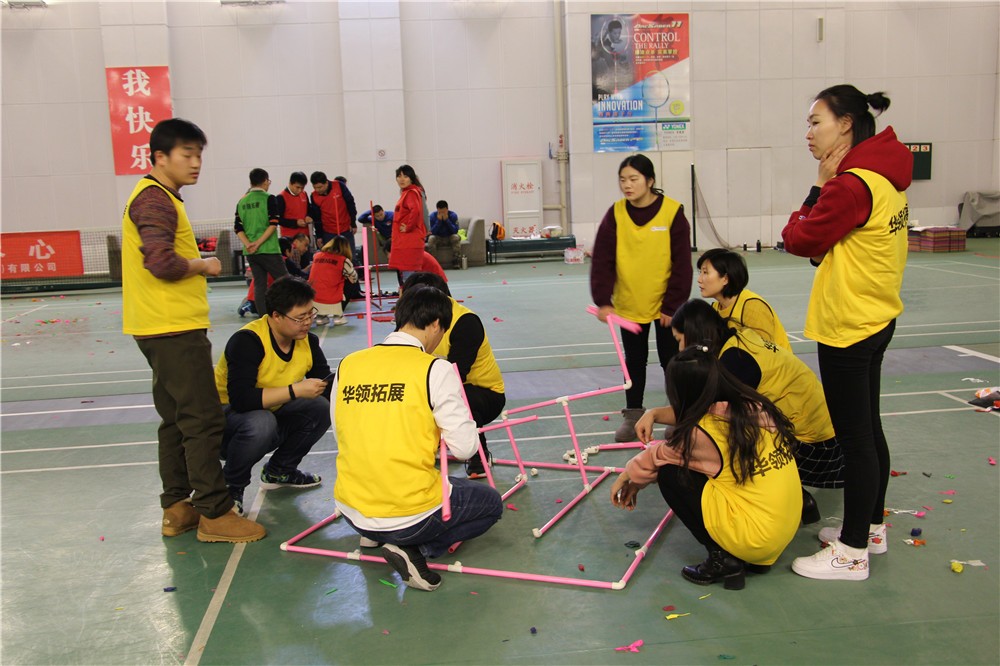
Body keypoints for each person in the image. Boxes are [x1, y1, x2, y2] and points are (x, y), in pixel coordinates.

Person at [781, 85, 912, 581]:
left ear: (847, 124)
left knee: (855, 440)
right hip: (877, 316)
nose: (809, 133)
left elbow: (798, 240)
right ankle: (871, 529)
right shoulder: (884, 177)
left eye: (816, 122)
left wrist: (818, 187)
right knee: (868, 430)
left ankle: (852, 552)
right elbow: (826, 246)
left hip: (849, 327)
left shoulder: (850, 185)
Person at [122, 118, 265, 543]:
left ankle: (177, 508)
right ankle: (215, 513)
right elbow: (161, 262)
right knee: (203, 418)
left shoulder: (157, 196)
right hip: (173, 327)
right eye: (187, 154)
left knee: (175, 419)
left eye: (199, 154)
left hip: (154, 325)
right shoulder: (155, 199)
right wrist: (205, 264)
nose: (196, 162)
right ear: (160, 157)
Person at [332, 284, 504, 591]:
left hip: (352, 508)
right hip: (408, 513)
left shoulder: (348, 363)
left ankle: (375, 536)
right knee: (490, 503)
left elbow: (340, 427)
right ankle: (416, 549)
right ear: (436, 324)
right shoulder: (435, 369)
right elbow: (465, 449)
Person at [610, 347, 801, 590]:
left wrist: (629, 476)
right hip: (780, 532)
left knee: (670, 473)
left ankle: (722, 559)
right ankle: (748, 555)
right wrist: (654, 414)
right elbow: (698, 411)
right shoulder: (753, 406)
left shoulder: (702, 434)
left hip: (755, 539)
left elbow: (659, 455)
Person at [652, 299, 842, 524]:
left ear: (694, 335)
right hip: (825, 431)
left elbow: (700, 411)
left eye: (680, 340)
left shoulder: (735, 361)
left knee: (710, 435)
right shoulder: (737, 339)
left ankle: (793, 498)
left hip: (815, 447)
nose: (680, 349)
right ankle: (797, 497)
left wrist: (655, 415)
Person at [590, 153, 693, 442]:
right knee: (633, 362)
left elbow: (682, 264)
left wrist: (673, 305)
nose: (627, 185)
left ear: (650, 181)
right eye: (623, 180)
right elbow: (602, 260)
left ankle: (678, 415)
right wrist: (603, 301)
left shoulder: (672, 212)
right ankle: (633, 415)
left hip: (666, 307)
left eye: (634, 179)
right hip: (629, 304)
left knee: (672, 361)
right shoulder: (616, 214)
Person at [214, 277, 331, 514]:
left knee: (321, 407)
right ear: (276, 316)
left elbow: (325, 384)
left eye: (311, 313)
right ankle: (231, 487)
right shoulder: (247, 341)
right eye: (300, 317)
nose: (308, 322)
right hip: (224, 423)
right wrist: (295, 390)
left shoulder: (307, 341)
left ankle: (280, 471)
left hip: (271, 410)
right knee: (261, 421)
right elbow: (241, 400)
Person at [402, 272, 504, 478]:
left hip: (483, 393)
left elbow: (456, 376)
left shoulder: (465, 323)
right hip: (436, 383)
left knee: (456, 397)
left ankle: (478, 454)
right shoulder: (414, 322)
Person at [696, 249, 791, 350]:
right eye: (700, 272)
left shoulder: (752, 306)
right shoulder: (715, 309)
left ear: (725, 279)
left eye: (705, 272)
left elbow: (763, 353)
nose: (699, 279)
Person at [235, 168, 288, 318]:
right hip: (268, 249)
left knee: (259, 284)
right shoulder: (269, 198)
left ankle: (264, 317)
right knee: (285, 282)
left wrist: (248, 244)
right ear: (265, 181)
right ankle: (289, 313)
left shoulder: (242, 201)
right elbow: (273, 224)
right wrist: (258, 243)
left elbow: (238, 228)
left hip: (251, 252)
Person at [388, 164, 429, 283]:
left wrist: (408, 227)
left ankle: (411, 295)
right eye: (399, 176)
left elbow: (415, 211)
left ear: (411, 178)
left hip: (408, 241)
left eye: (405, 176)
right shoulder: (408, 192)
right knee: (409, 276)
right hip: (407, 240)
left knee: (408, 277)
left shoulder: (411, 193)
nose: (402, 179)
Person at [309, 236, 358, 327]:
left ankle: (320, 316)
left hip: (313, 297)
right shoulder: (343, 260)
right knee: (351, 284)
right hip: (332, 298)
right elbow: (354, 278)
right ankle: (338, 316)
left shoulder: (316, 256)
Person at [310, 171, 357, 252]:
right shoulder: (314, 196)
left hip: (346, 229)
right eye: (315, 188)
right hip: (328, 233)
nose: (317, 190)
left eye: (320, 187)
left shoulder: (339, 186)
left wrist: (353, 223)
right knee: (330, 257)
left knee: (350, 256)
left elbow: (350, 204)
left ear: (326, 183)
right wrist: (319, 236)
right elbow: (317, 217)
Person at [274, 171, 314, 241]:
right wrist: (295, 223)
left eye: (302, 188)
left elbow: (309, 209)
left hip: (305, 235)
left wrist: (308, 216)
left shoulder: (304, 194)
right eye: (297, 187)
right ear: (290, 183)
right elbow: (278, 219)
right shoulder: (281, 197)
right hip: (290, 237)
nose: (300, 190)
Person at [427, 200, 462, 268]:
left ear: (447, 209)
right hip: (438, 237)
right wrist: (439, 221)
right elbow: (432, 232)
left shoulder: (453, 215)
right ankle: (434, 263)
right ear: (437, 209)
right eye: (440, 212)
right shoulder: (432, 216)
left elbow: (455, 231)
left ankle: (456, 261)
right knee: (431, 238)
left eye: (444, 211)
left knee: (455, 237)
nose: (442, 214)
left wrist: (447, 220)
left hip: (449, 237)